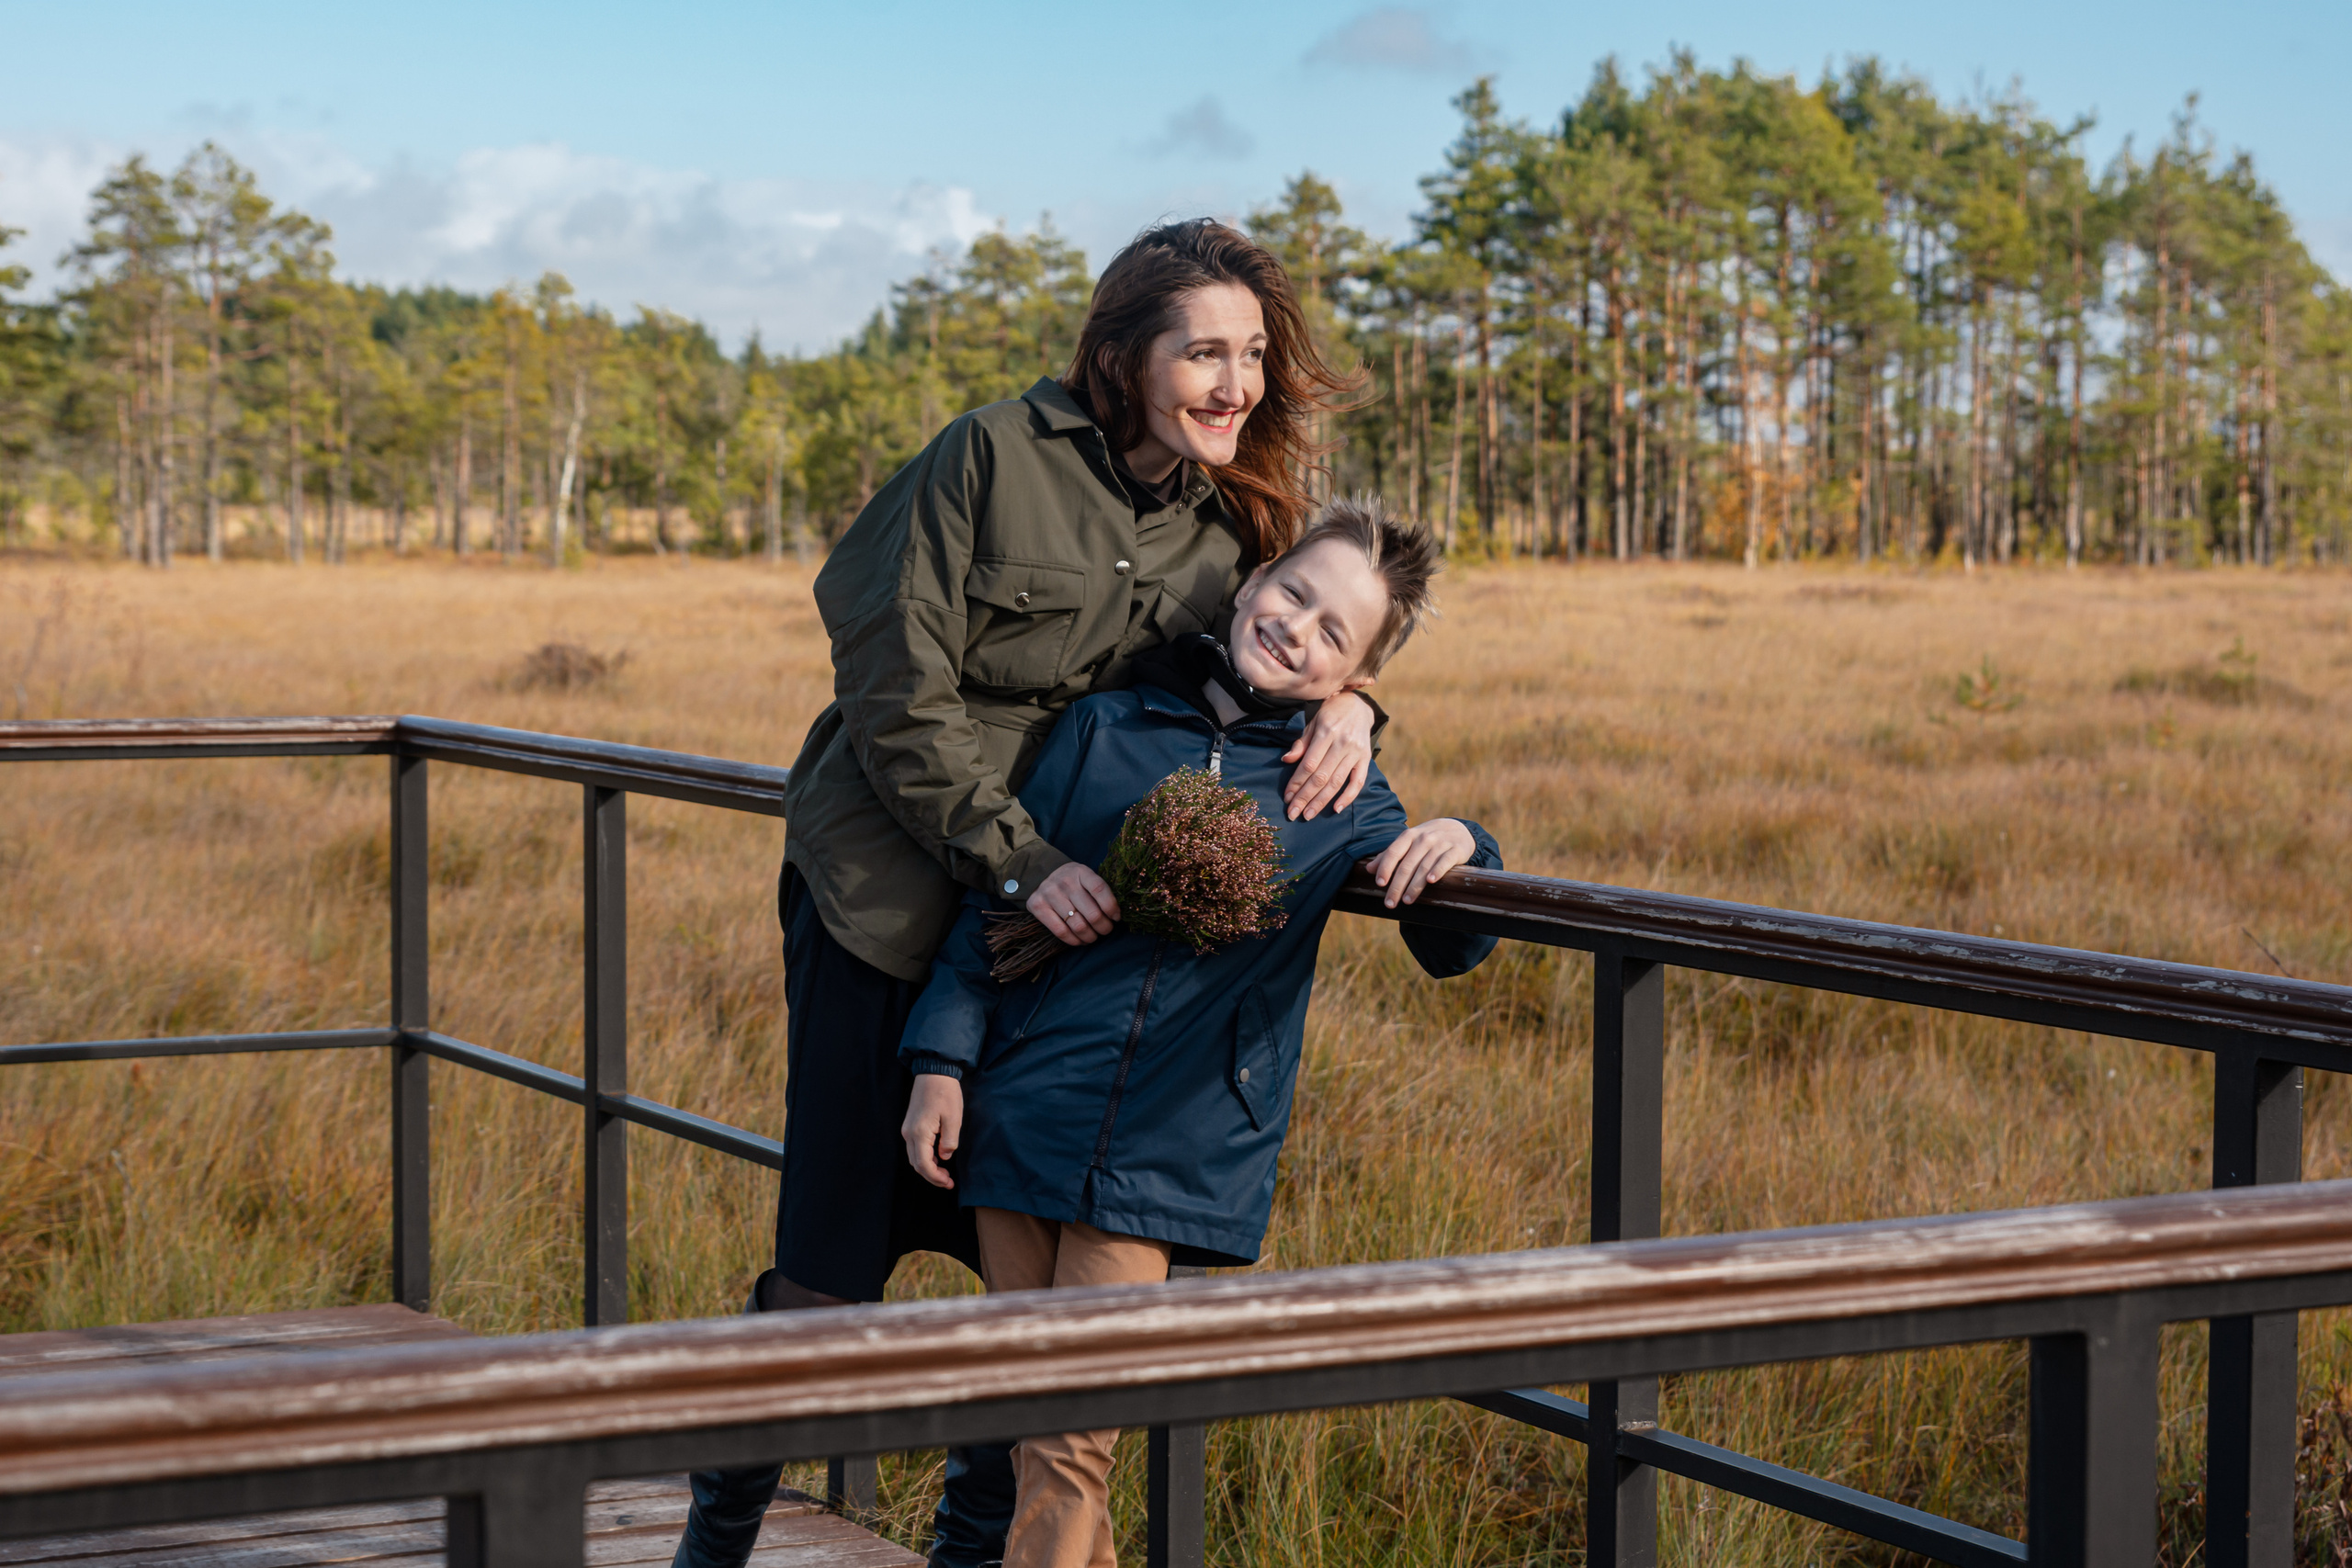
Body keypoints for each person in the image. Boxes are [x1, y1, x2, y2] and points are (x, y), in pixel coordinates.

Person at [673, 220, 1377, 1568]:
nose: (1235, 384)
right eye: (1203, 352)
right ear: (1123, 354)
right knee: (827, 1269)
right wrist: (1022, 858)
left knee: (1024, 1290)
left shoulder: (1231, 523)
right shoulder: (986, 456)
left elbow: (1286, 644)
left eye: (1251, 355)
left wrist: (1358, 704)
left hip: (1058, 957)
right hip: (890, 906)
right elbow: (890, 682)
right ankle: (713, 1546)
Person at [897, 500, 1502, 1568]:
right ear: (1254, 579)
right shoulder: (1104, 728)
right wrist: (941, 1063)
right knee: (1031, 1423)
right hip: (1026, 1107)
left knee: (1068, 1441)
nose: (1295, 628)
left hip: (1168, 1145)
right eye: (1292, 594)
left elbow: (1449, 947)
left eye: (1333, 632)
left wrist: (1466, 842)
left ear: (1357, 677)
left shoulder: (1337, 790)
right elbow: (995, 909)